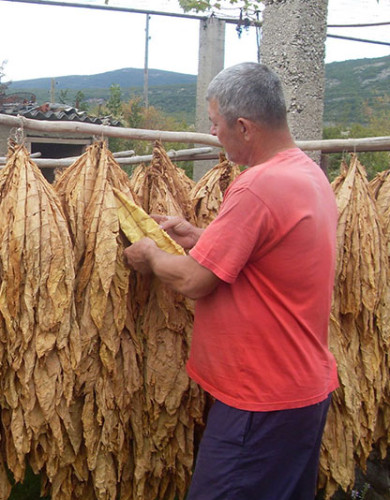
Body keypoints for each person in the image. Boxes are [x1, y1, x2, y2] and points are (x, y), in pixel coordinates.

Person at [124, 62, 338, 499]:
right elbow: (267, 256)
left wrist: (149, 254)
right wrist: (194, 236)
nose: (213, 132)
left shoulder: (258, 186)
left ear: (243, 126)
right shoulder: (307, 174)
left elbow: (196, 281)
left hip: (260, 401)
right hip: (298, 393)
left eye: (215, 124)